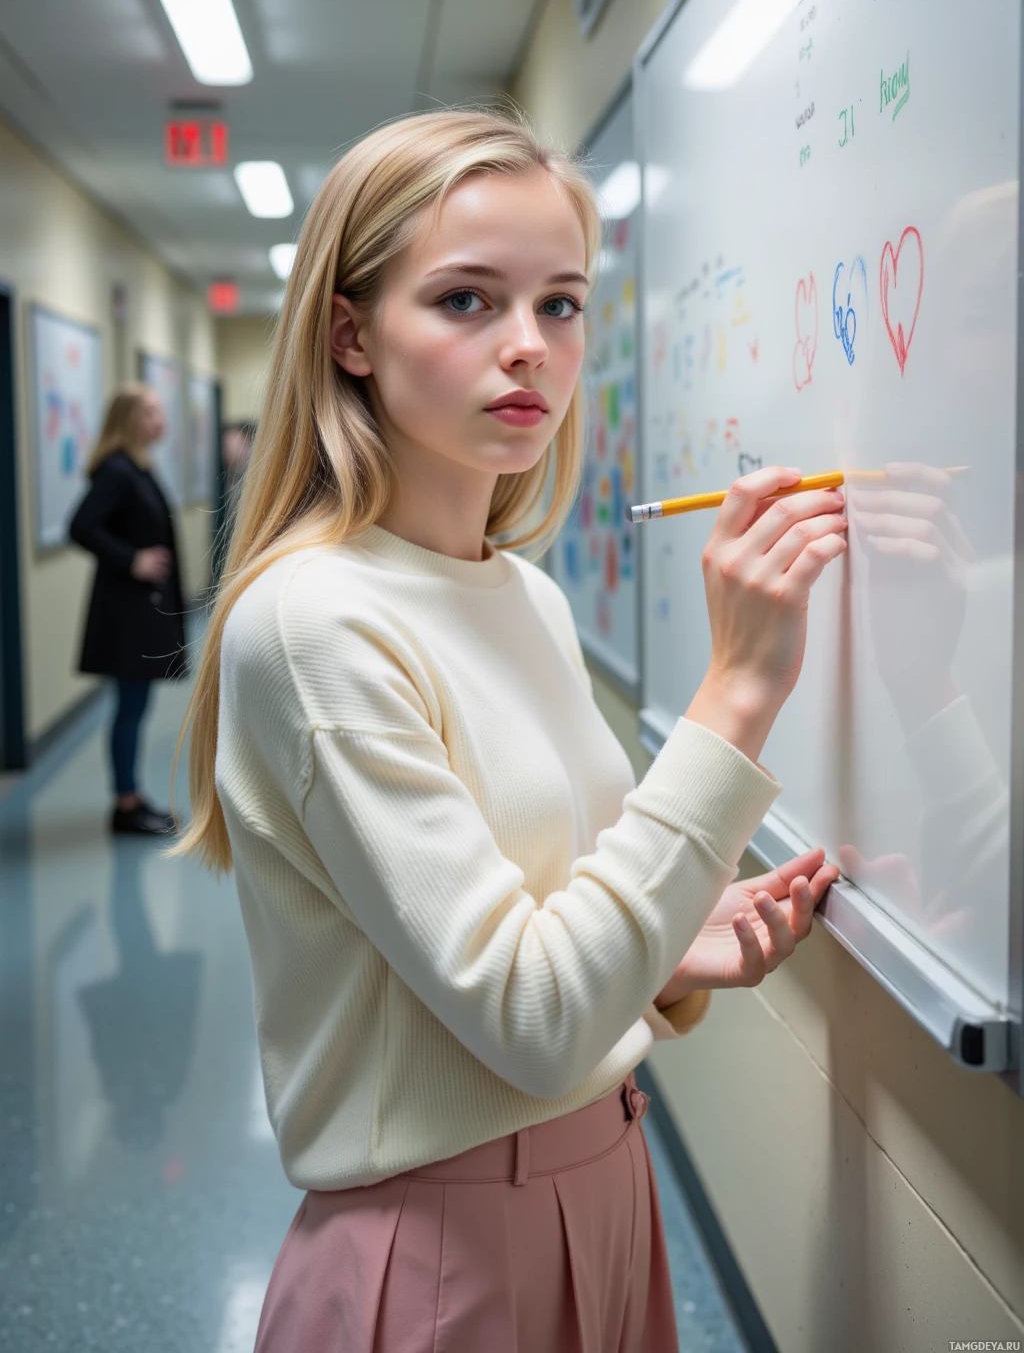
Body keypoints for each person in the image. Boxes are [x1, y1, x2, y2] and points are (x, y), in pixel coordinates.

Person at [170, 109, 844, 1352]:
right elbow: (530, 1020)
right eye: (468, 301)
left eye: (562, 304)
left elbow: (536, 929)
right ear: (351, 333)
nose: (529, 349)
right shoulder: (314, 622)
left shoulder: (523, 592)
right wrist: (736, 688)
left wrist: (664, 953)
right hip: (438, 1250)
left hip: (606, 1183)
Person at [69, 382, 186, 837]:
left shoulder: (138, 467)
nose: (162, 420)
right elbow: (81, 527)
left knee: (135, 706)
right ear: (131, 420)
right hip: (126, 613)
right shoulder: (117, 470)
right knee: (130, 707)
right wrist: (131, 559)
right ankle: (125, 805)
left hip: (137, 609)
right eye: (153, 412)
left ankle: (130, 798)